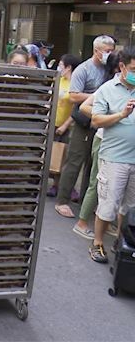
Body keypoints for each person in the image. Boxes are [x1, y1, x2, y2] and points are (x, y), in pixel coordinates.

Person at [54, 35, 115, 219]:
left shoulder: (109, 69)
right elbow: (73, 96)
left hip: (102, 121)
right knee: (75, 160)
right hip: (83, 122)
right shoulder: (84, 69)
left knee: (93, 163)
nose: (109, 54)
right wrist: (97, 95)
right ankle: (62, 200)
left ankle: (85, 202)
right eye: (106, 51)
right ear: (96, 50)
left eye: (112, 50)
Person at [89, 46, 135, 263]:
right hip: (114, 158)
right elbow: (96, 120)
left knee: (129, 207)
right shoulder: (107, 89)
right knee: (108, 204)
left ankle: (121, 243)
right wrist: (121, 114)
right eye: (134, 68)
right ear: (122, 66)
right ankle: (97, 243)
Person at [73, 52, 121, 240]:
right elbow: (84, 107)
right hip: (104, 140)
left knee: (116, 188)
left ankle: (106, 223)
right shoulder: (108, 86)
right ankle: (82, 222)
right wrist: (110, 117)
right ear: (122, 67)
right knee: (97, 182)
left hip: (123, 146)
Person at [47, 54, 81, 197]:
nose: (59, 67)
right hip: (53, 123)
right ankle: (55, 185)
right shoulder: (58, 80)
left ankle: (68, 187)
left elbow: (76, 109)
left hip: (68, 126)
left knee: (67, 157)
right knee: (55, 156)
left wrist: (66, 125)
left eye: (61, 65)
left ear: (69, 67)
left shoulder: (75, 84)